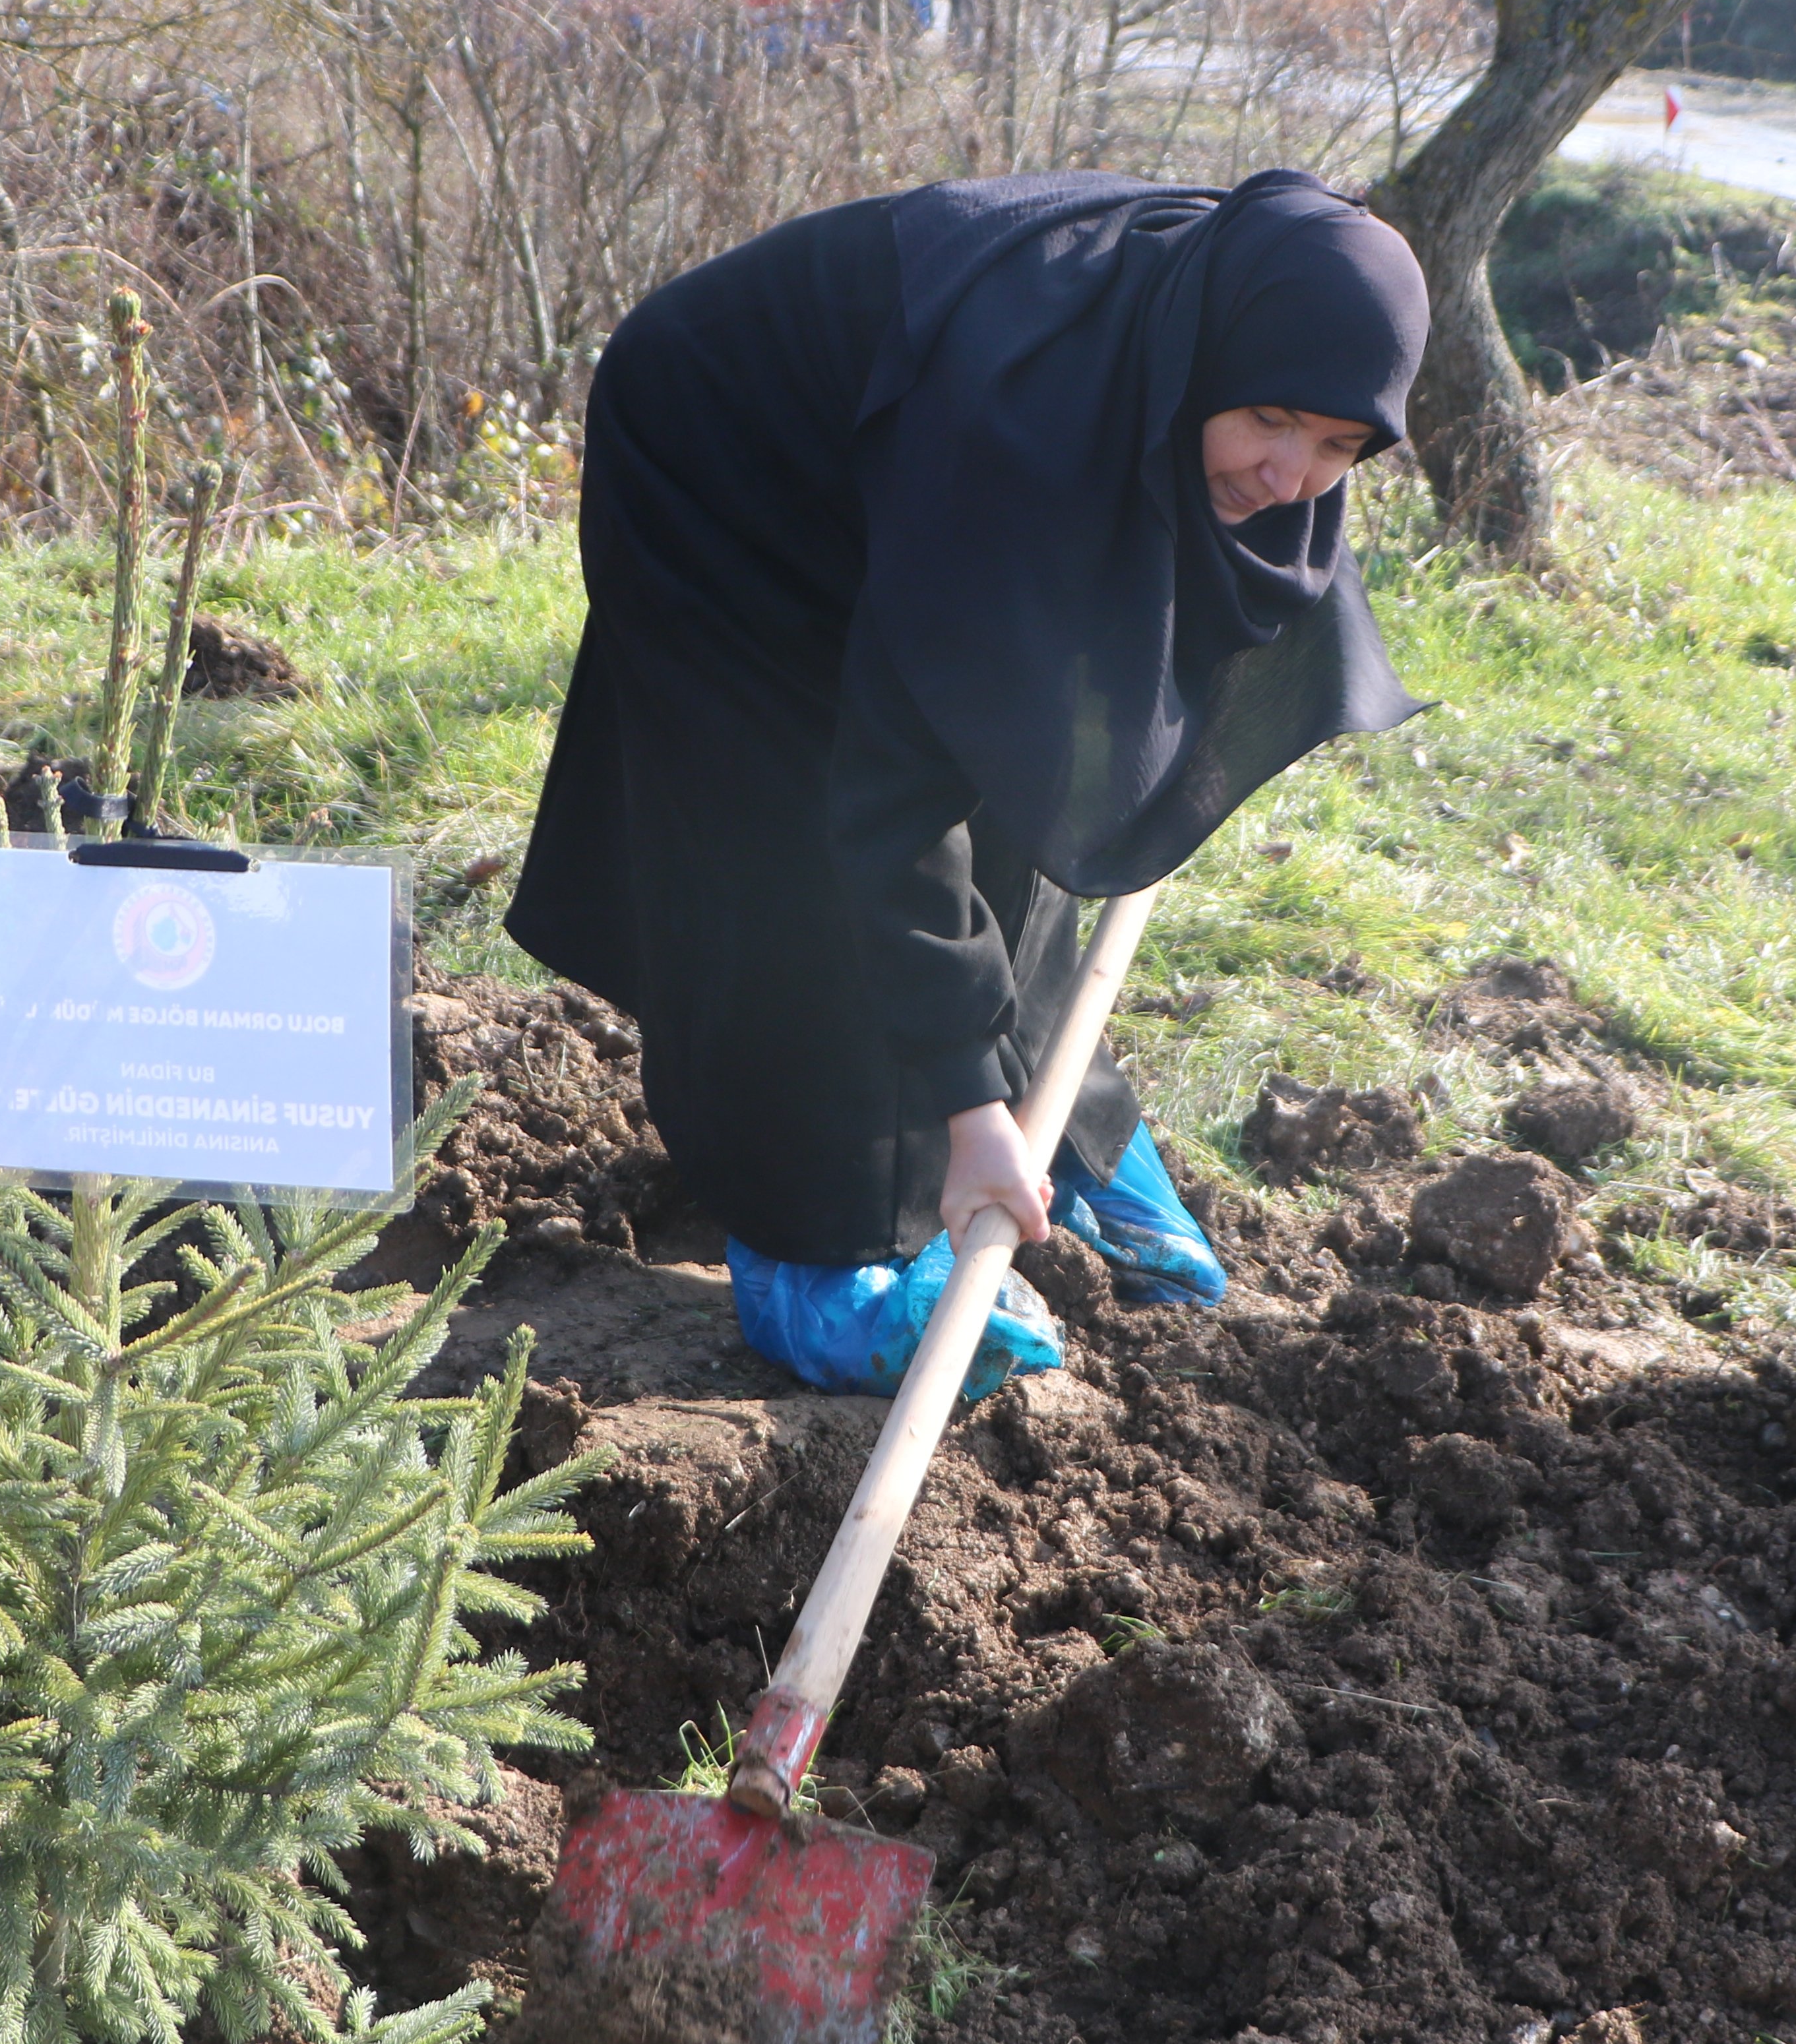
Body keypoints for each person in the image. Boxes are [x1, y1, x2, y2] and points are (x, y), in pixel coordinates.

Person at [505, 171, 1430, 1396]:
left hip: (915, 436)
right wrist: (962, 1101)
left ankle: (1067, 1129)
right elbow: (893, 795)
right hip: (733, 457)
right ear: (1212, 363)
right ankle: (821, 1247)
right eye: (1270, 422)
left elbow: (1044, 744)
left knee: (1013, 767)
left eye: (1338, 446)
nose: (1289, 476)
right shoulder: (1029, 434)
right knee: (788, 829)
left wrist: (1013, 1100)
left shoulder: (1221, 341)